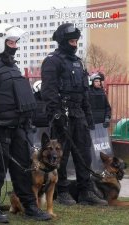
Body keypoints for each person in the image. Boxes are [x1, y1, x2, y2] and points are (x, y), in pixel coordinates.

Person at [0, 23, 51, 223]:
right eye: (10, 42)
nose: (14, 46)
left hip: (18, 129)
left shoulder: (12, 68)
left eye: (15, 42)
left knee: (23, 170)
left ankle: (30, 206)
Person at [40, 23, 107, 206]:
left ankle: (85, 191)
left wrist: (88, 115)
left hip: (79, 114)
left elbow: (84, 91)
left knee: (84, 153)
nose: (75, 43)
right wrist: (56, 114)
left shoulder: (78, 62)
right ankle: (61, 191)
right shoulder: (52, 61)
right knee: (60, 155)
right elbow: (49, 91)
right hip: (62, 114)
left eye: (76, 40)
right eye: (71, 40)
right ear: (62, 40)